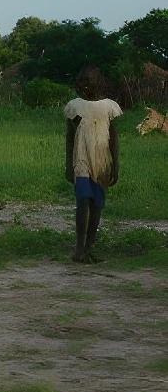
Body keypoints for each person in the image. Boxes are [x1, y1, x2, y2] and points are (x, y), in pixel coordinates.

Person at [64, 72, 122, 264]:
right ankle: (79, 249)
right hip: (81, 160)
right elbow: (70, 139)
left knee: (96, 205)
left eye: (92, 81)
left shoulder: (108, 107)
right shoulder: (74, 108)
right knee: (82, 202)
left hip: (103, 161)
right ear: (79, 85)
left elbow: (114, 138)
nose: (88, 85)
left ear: (100, 84)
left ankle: (88, 248)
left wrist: (116, 165)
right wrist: (68, 166)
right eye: (85, 81)